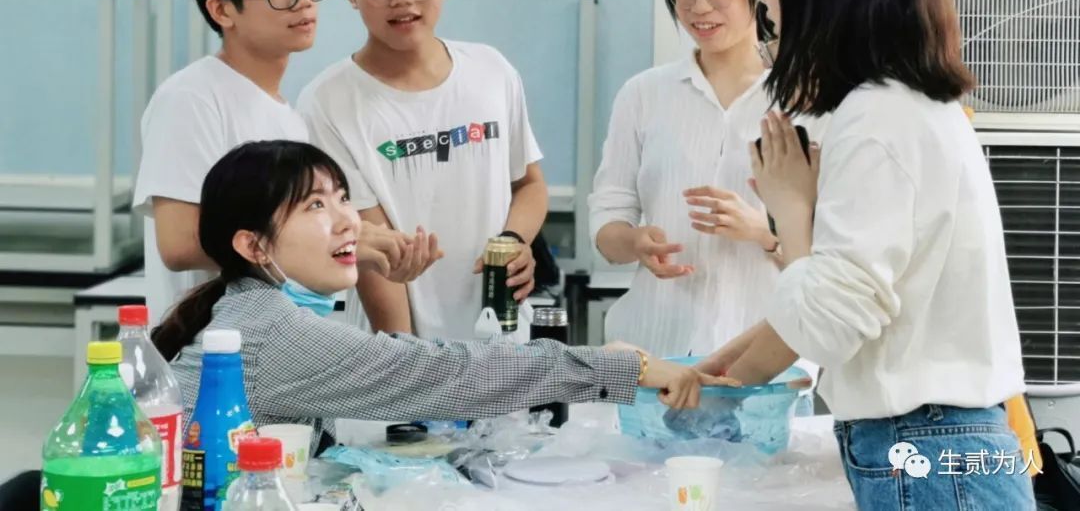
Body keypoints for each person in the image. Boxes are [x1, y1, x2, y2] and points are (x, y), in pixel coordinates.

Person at [697, 0, 1033, 509]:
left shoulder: (878, 121)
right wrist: (728, 371)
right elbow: (851, 298)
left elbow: (829, 325)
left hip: (925, 445)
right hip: (941, 442)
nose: (764, 1)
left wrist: (791, 210)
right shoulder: (904, 105)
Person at [154, 140, 730, 452]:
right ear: (253, 245)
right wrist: (621, 366)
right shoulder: (273, 332)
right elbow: (442, 373)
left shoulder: (250, 310)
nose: (348, 220)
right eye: (315, 206)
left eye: (342, 198)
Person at [133, 0, 431, 324]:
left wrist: (362, 241)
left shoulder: (290, 120)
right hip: (213, 351)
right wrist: (337, 241)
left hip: (274, 344)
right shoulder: (192, 97)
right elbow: (180, 243)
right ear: (223, 10)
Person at [298, 0, 546, 341]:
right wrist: (408, 363)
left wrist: (515, 241)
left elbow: (528, 183)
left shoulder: (492, 71)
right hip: (399, 352)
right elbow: (371, 251)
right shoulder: (328, 102)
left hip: (504, 345)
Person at [589, 0, 824, 357]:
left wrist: (764, 232)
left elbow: (832, 257)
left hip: (766, 357)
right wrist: (634, 242)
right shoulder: (644, 94)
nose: (699, 7)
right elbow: (607, 218)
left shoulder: (801, 99)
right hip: (655, 348)